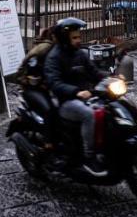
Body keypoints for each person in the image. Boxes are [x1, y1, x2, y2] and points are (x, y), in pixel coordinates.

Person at [44, 17, 111, 177]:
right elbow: (54, 83)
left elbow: (93, 71)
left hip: (85, 96)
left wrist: (110, 78)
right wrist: (76, 92)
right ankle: (88, 157)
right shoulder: (54, 57)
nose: (78, 40)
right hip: (66, 101)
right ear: (65, 38)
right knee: (88, 115)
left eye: (79, 37)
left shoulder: (80, 54)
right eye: (74, 37)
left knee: (109, 108)